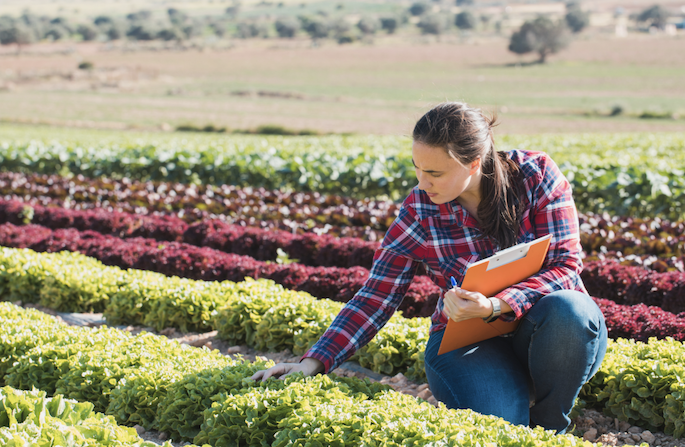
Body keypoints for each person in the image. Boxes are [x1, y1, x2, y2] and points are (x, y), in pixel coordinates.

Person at [251, 101, 608, 434]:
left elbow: (565, 265)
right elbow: (376, 296)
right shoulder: (420, 211)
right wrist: (313, 362)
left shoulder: (535, 176)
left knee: (571, 309)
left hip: (551, 332)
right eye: (417, 169)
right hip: (468, 343)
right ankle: (509, 397)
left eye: (434, 172)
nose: (423, 183)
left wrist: (497, 304)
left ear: (473, 163)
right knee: (502, 428)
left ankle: (549, 426)